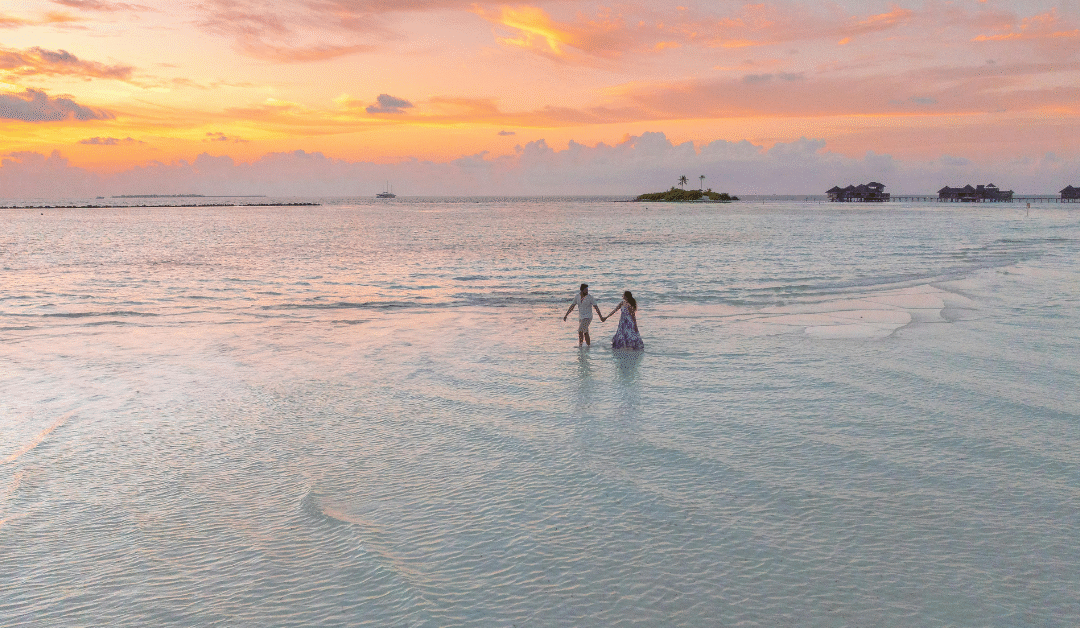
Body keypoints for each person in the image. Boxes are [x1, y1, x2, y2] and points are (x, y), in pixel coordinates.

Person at [563, 283, 603, 347]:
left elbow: (596, 307)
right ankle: (588, 345)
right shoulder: (577, 296)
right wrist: (566, 315)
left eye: (587, 289)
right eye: (586, 290)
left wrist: (601, 317)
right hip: (581, 317)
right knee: (585, 332)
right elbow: (572, 306)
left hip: (588, 317)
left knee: (580, 330)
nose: (587, 291)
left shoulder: (590, 297)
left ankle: (580, 346)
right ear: (582, 290)